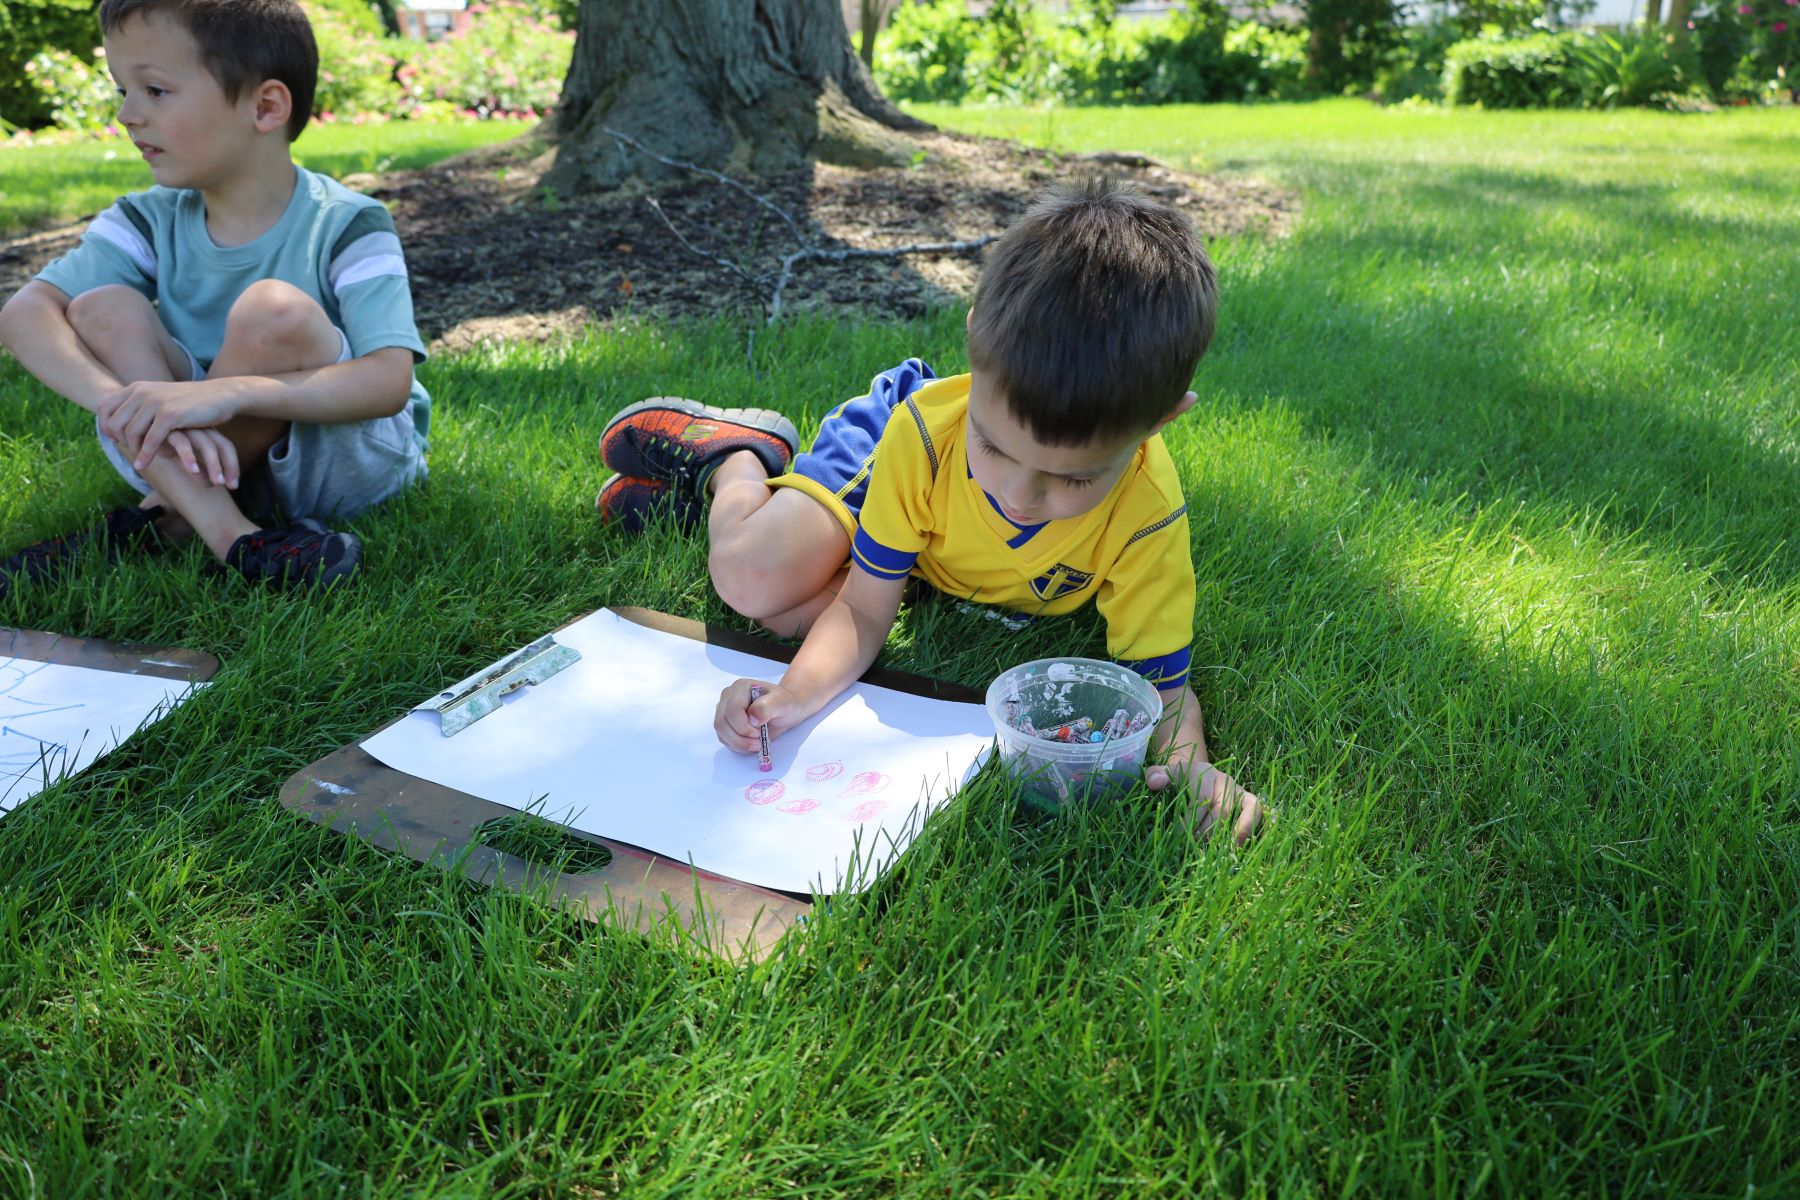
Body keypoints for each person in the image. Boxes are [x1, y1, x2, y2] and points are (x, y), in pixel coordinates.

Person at [597, 179, 1262, 842]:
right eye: (995, 447)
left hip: (930, 549)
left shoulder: (1147, 514)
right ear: (975, 343)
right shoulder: (924, 436)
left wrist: (1189, 766)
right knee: (752, 582)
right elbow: (862, 610)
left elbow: (1162, 690)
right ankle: (737, 462)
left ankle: (780, 522)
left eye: (1073, 479)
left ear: (1159, 421)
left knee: (792, 613)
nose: (1018, 495)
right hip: (887, 451)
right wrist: (790, 698)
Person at [0, 0, 431, 596]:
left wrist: (217, 396)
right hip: (188, 449)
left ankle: (163, 518)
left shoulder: (349, 223)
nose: (127, 114)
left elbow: (387, 384)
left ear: (265, 106)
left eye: (154, 90)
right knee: (99, 305)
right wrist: (125, 405)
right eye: (121, 90)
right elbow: (25, 314)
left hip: (333, 456)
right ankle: (231, 535)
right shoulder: (147, 219)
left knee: (272, 310)